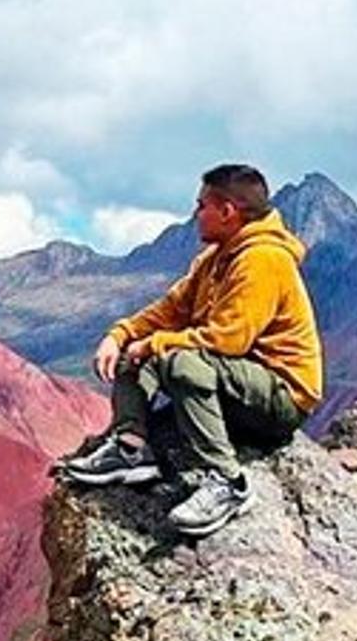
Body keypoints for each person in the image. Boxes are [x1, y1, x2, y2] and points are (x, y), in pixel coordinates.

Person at [57, 164, 323, 537]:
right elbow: (169, 311)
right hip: (236, 384)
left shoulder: (263, 259)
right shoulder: (215, 259)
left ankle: (229, 483)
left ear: (227, 211)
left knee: (180, 361)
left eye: (201, 205)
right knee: (139, 353)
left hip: (280, 398)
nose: (196, 214)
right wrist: (120, 335)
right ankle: (132, 449)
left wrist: (153, 344)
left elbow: (228, 340)